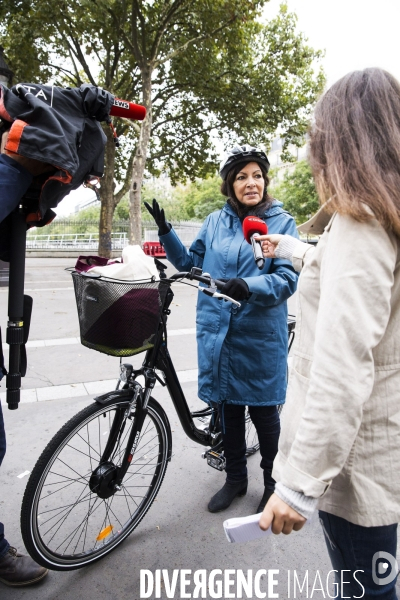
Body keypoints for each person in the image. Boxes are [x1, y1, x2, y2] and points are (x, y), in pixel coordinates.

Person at [258, 68, 400, 599]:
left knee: (365, 590)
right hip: (378, 440)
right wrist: (292, 249)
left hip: (354, 462)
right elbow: (350, 274)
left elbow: (342, 368)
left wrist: (297, 486)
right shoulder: (380, 215)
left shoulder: (361, 222)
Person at [145, 145, 298, 513]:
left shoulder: (282, 223)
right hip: (217, 331)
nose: (251, 183)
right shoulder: (215, 221)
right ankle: (234, 480)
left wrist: (250, 286)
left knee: (264, 414)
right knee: (227, 409)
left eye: (257, 175)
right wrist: (166, 232)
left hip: (258, 334)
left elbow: (287, 278)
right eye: (242, 177)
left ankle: (273, 485)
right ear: (229, 185)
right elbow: (190, 262)